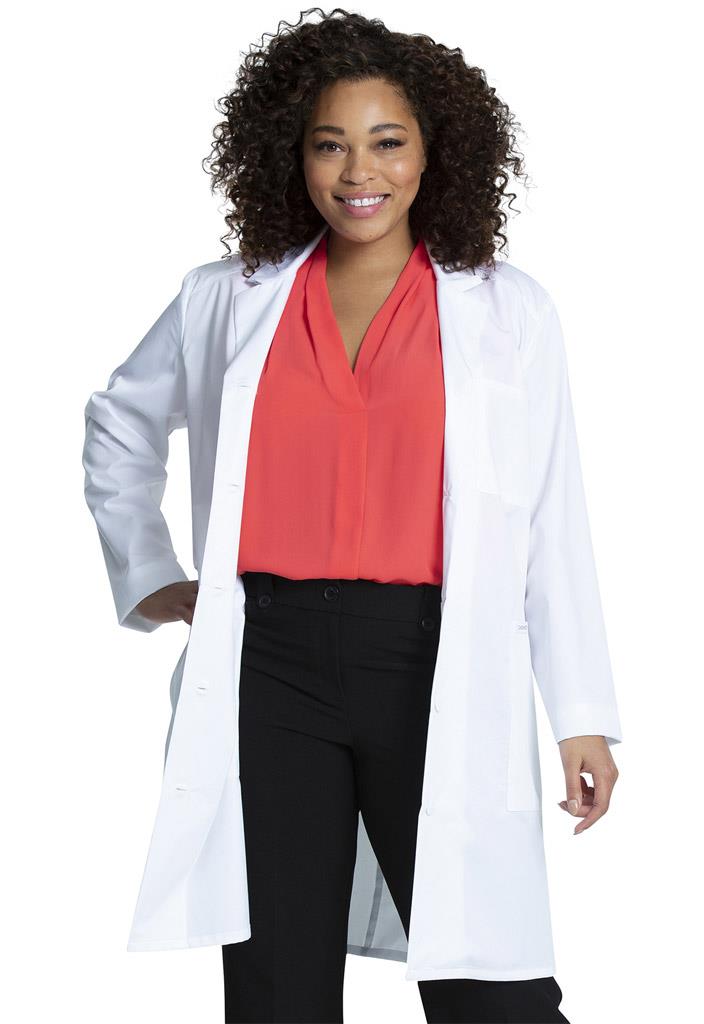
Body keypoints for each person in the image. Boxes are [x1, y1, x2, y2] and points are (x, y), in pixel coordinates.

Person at [82, 8, 623, 1023]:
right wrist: (148, 572)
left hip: (431, 659)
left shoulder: (506, 311)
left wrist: (581, 711)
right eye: (329, 144)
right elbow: (121, 421)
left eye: (387, 141)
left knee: (490, 988)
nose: (357, 171)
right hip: (268, 665)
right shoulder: (227, 297)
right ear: (292, 155)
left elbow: (553, 515)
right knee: (276, 984)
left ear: (433, 153)